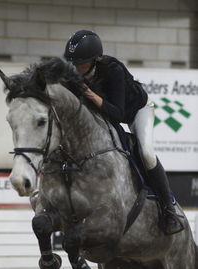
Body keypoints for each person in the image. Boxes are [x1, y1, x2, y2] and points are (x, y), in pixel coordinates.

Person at [64, 29, 184, 235]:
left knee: (146, 153)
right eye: (73, 63)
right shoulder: (76, 74)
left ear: (94, 60)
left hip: (137, 110)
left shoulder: (113, 70)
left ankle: (168, 209)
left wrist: (92, 96)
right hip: (108, 115)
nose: (76, 67)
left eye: (80, 62)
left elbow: (118, 114)